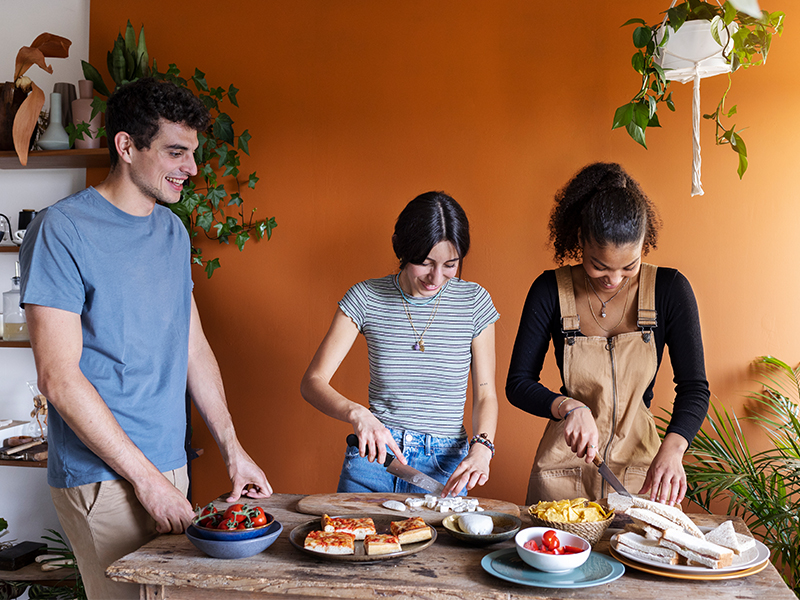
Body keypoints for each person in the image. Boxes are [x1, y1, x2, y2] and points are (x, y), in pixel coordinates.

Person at [19, 78, 272, 600]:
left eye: (194, 153)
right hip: (103, 475)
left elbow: (192, 347)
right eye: (176, 152)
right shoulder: (61, 230)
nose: (192, 169)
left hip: (169, 465)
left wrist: (233, 449)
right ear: (127, 146)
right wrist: (146, 481)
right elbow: (58, 378)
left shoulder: (172, 232)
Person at [506, 162, 709, 507]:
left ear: (644, 244)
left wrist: (673, 449)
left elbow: (694, 388)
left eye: (629, 266)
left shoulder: (670, 289)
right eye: (599, 265)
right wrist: (567, 406)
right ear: (580, 240)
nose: (613, 279)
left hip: (641, 475)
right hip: (562, 474)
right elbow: (518, 383)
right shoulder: (549, 290)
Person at [301, 192, 499, 497]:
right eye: (425, 262)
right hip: (375, 459)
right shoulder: (365, 297)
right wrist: (358, 414)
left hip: (446, 466)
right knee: (347, 542)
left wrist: (482, 448)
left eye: (451, 264)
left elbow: (485, 394)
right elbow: (312, 382)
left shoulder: (474, 302)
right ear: (401, 248)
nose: (436, 277)